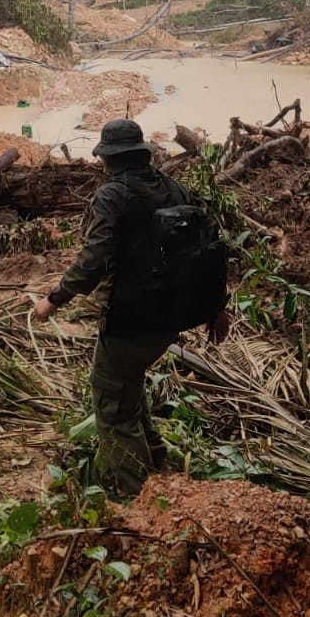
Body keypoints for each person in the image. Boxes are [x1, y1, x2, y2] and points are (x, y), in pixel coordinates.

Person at [32, 118, 230, 495]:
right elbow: (210, 252)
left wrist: (53, 299)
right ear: (142, 155)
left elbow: (94, 260)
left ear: (108, 159)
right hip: (171, 318)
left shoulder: (112, 195)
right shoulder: (175, 189)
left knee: (111, 404)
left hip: (131, 320)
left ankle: (136, 497)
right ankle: (158, 464)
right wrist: (216, 307)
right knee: (128, 386)